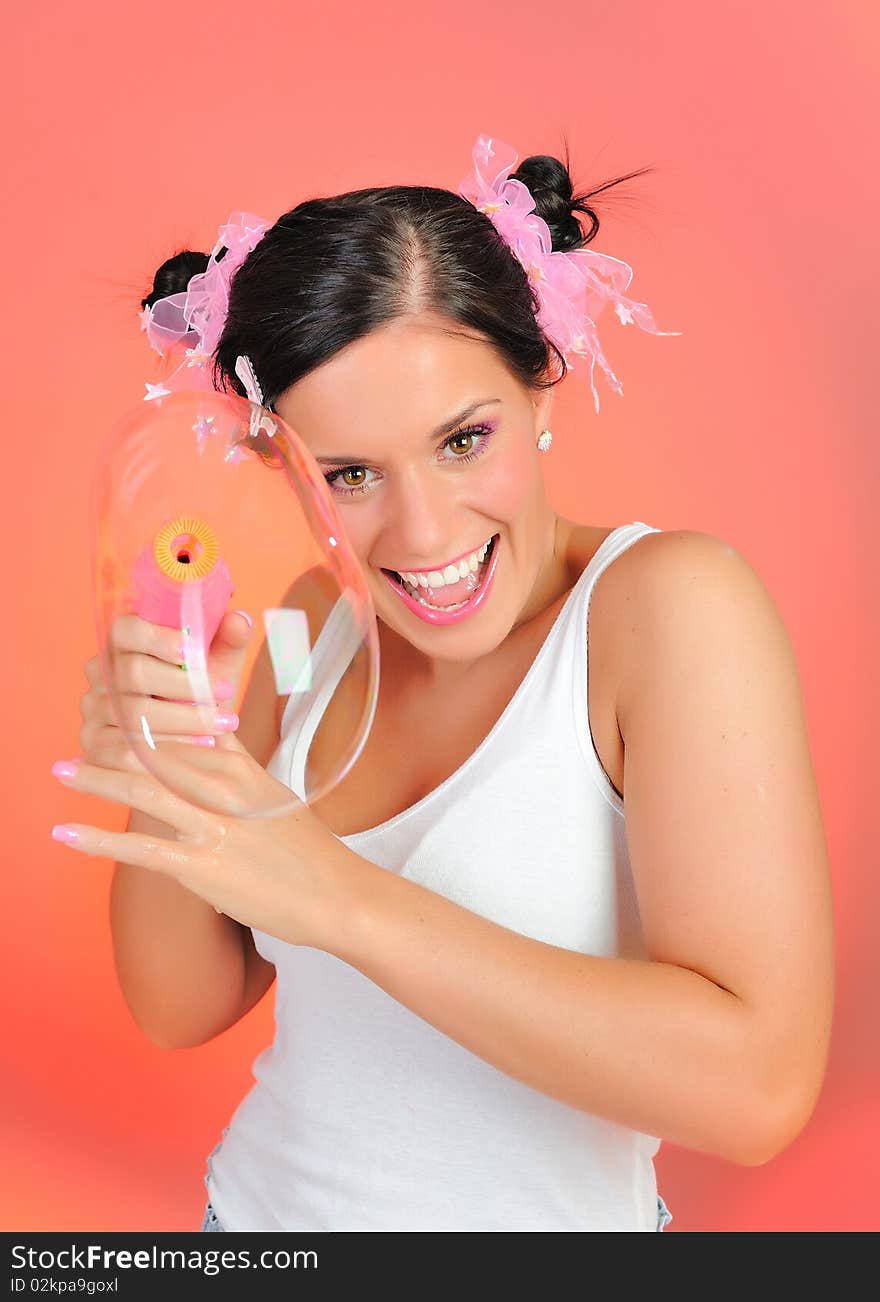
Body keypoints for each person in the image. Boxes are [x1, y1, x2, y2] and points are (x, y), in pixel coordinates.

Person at [61, 135, 834, 1233]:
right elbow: (181, 1007)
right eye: (352, 475)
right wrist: (178, 749)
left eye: (465, 439)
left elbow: (755, 1090)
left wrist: (338, 896)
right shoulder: (306, 627)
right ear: (285, 462)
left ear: (540, 385)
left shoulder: (661, 610)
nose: (423, 533)